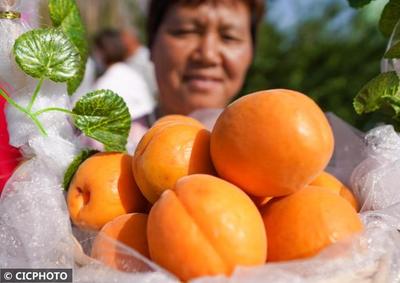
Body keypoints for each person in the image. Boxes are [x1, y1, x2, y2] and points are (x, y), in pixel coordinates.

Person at [129, 0, 265, 145]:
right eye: (186, 31)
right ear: (151, 43)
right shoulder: (110, 150)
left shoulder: (270, 154)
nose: (208, 55)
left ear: (252, 53)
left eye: (229, 37)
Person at [90, 29, 156, 151]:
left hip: (120, 151)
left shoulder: (105, 84)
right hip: (150, 141)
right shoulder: (134, 75)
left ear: (102, 52)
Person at [121, 28, 158, 99]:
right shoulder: (125, 60)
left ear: (133, 39)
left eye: (124, 38)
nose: (121, 42)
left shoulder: (146, 57)